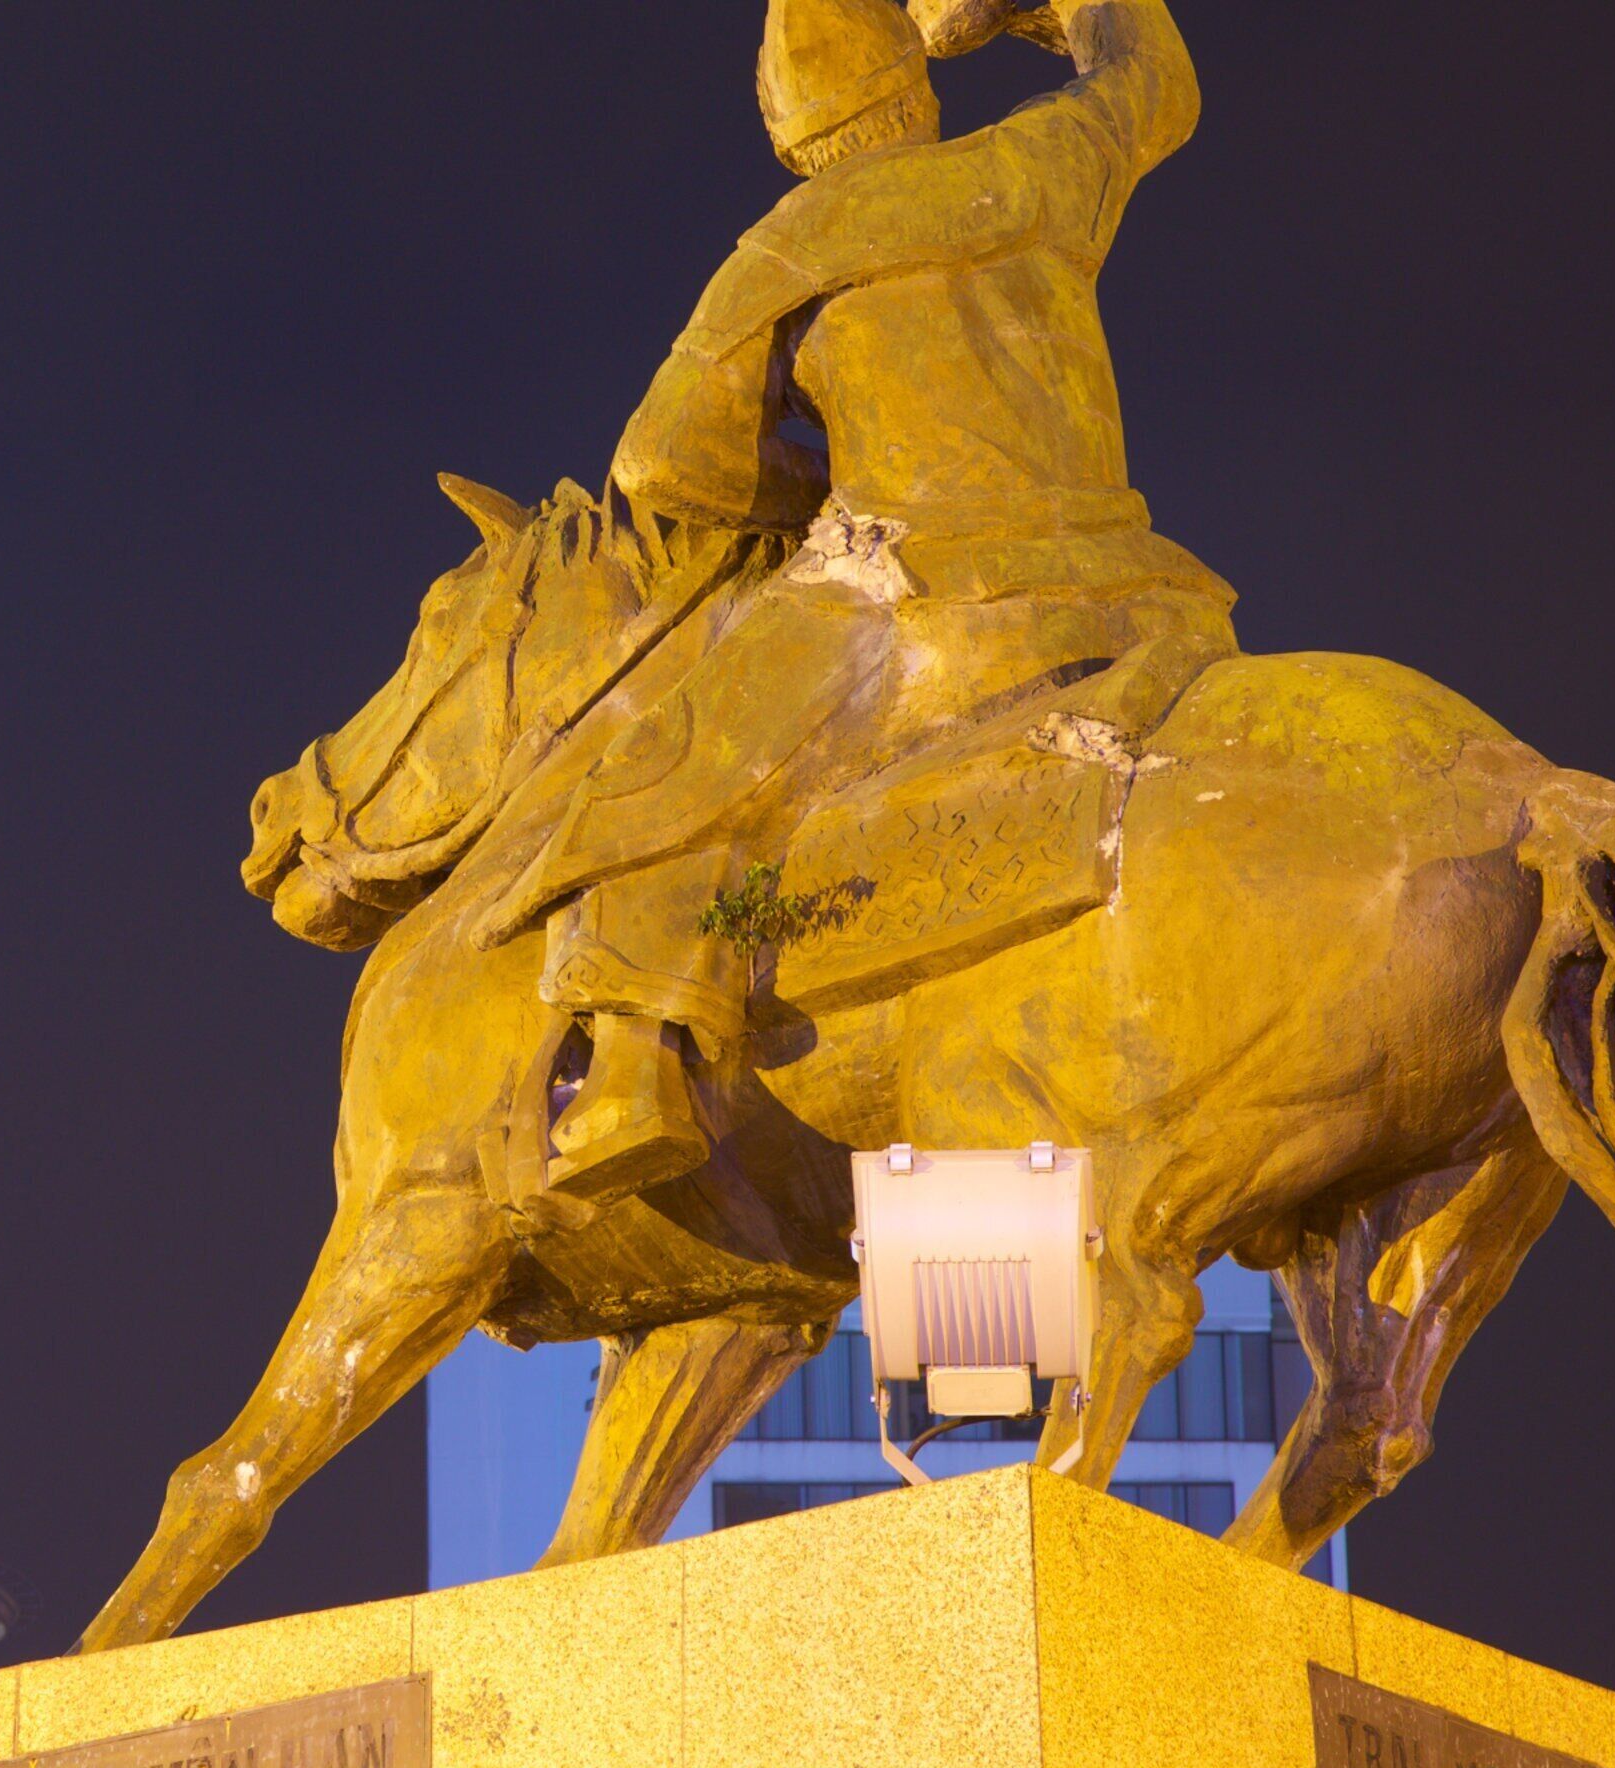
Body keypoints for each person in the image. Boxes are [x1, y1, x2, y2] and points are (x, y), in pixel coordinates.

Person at [494, 0, 1240, 1199]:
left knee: (668, 763)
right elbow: (1157, 78)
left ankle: (635, 1060)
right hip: (1131, 586)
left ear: (793, 129)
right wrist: (1048, 14)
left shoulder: (797, 240)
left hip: (921, 594)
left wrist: (818, 494)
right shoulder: (1035, 165)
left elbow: (658, 468)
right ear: (915, 91)